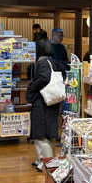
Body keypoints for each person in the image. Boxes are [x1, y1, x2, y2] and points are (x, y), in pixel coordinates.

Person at [28, 40, 61, 171]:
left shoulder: (42, 62)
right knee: (41, 133)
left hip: (42, 103)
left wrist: (31, 88)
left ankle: (48, 164)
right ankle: (41, 160)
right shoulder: (51, 61)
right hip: (51, 102)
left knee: (40, 134)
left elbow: (44, 78)